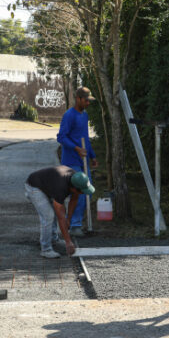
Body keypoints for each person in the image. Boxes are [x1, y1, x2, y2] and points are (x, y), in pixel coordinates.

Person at [25, 166, 95, 258]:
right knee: (48, 216)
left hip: (48, 184)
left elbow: (73, 200)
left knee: (53, 213)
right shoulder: (61, 188)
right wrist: (68, 242)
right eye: (82, 191)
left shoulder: (77, 180)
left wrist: (69, 219)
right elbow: (61, 217)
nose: (82, 193)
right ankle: (46, 249)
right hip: (34, 187)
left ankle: (54, 239)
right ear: (74, 188)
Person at [56, 87, 98, 237]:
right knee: (79, 192)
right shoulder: (69, 115)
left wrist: (92, 155)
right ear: (79, 99)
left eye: (89, 101)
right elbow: (61, 137)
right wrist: (76, 149)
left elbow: (85, 137)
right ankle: (74, 225)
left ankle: (73, 222)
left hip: (83, 160)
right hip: (71, 161)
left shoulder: (84, 115)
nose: (88, 103)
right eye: (86, 100)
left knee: (87, 192)